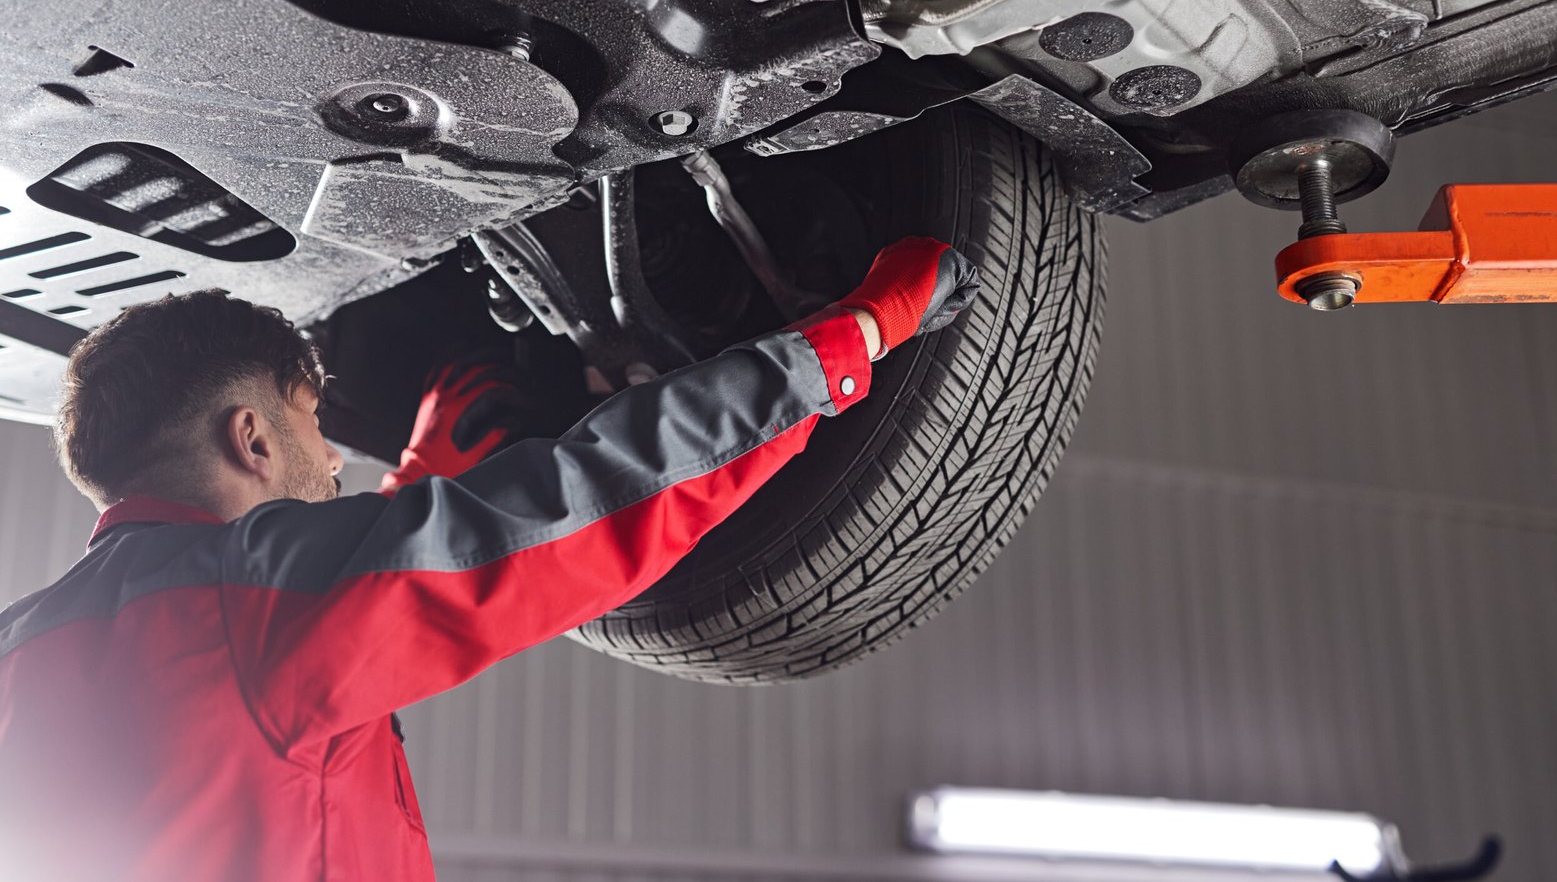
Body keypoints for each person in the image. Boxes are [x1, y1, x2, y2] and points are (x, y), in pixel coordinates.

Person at [0, 236, 977, 881]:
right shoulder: (248, 611)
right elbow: (584, 509)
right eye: (312, 426)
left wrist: (403, 504)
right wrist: (847, 337)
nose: (333, 456)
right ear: (251, 438)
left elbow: (246, 731)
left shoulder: (27, 644)